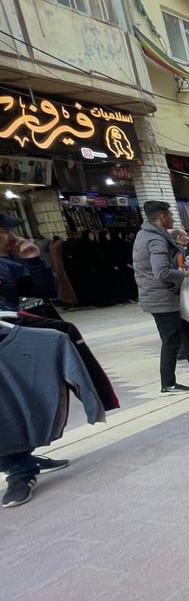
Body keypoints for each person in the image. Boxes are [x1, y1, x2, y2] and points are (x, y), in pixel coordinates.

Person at [0, 213, 69, 507]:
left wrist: (33, 259)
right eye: (3, 231)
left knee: (20, 402)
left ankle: (23, 457)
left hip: (11, 341)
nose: (9, 236)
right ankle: (19, 471)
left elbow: (44, 292)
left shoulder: (11, 263)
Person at [132, 201, 189, 395]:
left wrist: (184, 270)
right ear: (163, 217)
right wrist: (186, 274)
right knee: (171, 340)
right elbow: (161, 272)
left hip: (162, 294)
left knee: (186, 333)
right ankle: (168, 383)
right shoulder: (156, 239)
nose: (173, 218)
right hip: (161, 297)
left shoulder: (144, 234)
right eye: (171, 215)